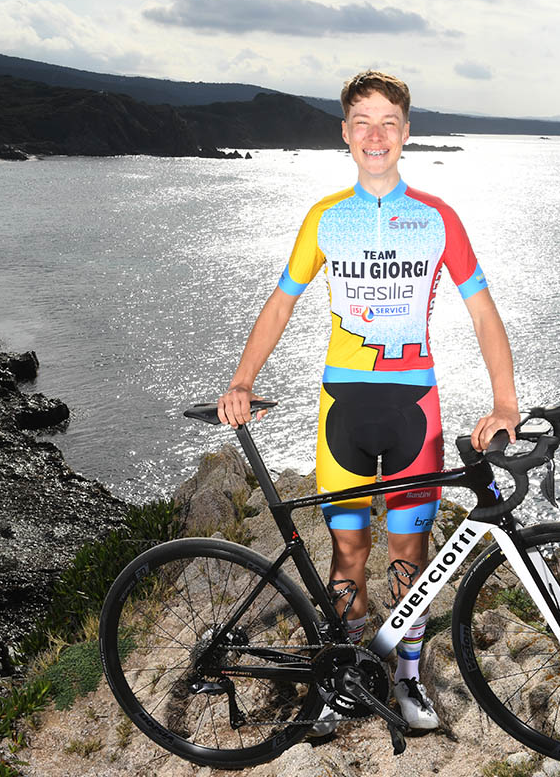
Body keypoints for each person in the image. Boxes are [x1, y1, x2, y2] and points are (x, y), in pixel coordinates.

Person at [217, 70, 519, 734]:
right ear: (346, 134)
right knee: (347, 553)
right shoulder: (326, 217)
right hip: (343, 409)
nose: (375, 135)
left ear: (405, 133)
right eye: (363, 122)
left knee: (412, 556)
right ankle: (342, 682)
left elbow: (483, 311)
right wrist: (241, 381)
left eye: (388, 123)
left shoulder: (438, 218)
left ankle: (407, 679)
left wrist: (505, 402)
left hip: (415, 408)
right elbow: (282, 301)